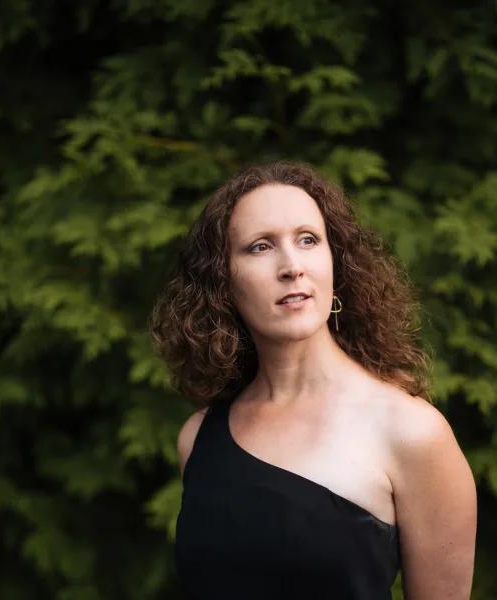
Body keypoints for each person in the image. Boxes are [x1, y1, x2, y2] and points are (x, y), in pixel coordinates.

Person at [150, 161, 477, 600]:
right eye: (260, 247)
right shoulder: (198, 439)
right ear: (224, 282)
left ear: (334, 263)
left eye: (308, 240)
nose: (291, 266)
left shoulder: (413, 434)